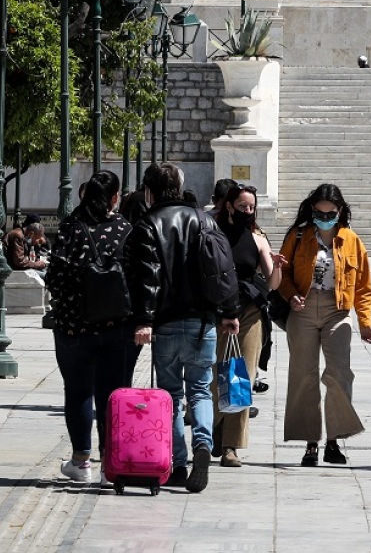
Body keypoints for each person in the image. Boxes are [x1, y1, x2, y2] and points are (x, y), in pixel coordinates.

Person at [124, 162, 240, 493]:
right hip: (204, 321)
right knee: (201, 390)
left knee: (172, 395)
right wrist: (230, 310)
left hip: (167, 323)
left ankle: (178, 462)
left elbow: (146, 276)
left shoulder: (148, 224)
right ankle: (203, 444)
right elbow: (224, 267)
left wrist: (143, 319)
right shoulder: (205, 220)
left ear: (149, 191)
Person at [47, 170, 140, 484]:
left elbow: (54, 280)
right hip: (117, 327)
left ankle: (81, 461)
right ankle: (109, 466)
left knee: (78, 392)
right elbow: (138, 279)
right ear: (115, 197)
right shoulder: (126, 231)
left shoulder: (71, 228)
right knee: (112, 396)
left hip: (74, 327)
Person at [277, 184, 371, 467]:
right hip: (304, 308)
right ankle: (310, 443)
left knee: (340, 373)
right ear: (311, 211)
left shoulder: (352, 240)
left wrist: (365, 321)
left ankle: (333, 441)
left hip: (337, 310)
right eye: (319, 213)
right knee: (303, 375)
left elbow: (364, 286)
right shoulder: (298, 236)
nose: (324, 217)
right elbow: (282, 272)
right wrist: (291, 294)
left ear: (340, 211)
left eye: (330, 213)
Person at [210, 184, 285, 468]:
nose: (248, 212)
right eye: (243, 206)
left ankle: (231, 447)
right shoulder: (211, 235)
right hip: (217, 314)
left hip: (250, 314)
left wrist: (276, 266)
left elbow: (272, 284)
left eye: (251, 207)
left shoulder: (257, 238)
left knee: (241, 378)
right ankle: (214, 427)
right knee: (215, 378)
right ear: (229, 206)